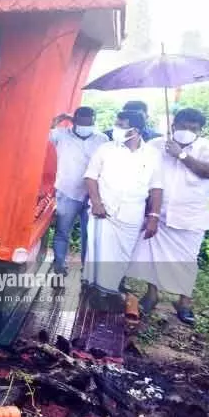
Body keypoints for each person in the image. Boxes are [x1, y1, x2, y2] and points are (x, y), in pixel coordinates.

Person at [126, 109, 209, 325]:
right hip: (159, 213)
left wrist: (181, 154)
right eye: (183, 127)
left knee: (187, 261)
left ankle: (184, 303)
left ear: (200, 131)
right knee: (153, 256)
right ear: (173, 126)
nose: (187, 131)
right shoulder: (155, 145)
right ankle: (152, 294)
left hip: (190, 217)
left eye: (193, 129)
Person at [83, 111, 163, 310]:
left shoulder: (152, 154)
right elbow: (90, 177)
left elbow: (157, 187)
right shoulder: (106, 149)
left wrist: (153, 216)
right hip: (104, 210)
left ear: (134, 130)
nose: (115, 128)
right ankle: (97, 293)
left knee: (121, 256)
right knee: (99, 253)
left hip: (131, 214)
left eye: (120, 125)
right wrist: (96, 202)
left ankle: (109, 291)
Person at [48, 107, 109, 277]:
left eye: (89, 123)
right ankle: (59, 267)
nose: (85, 125)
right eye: (81, 122)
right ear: (74, 120)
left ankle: (86, 270)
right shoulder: (61, 134)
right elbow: (46, 130)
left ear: (94, 122)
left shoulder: (102, 139)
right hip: (67, 192)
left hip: (92, 195)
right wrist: (60, 118)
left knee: (89, 234)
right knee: (62, 232)